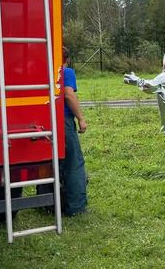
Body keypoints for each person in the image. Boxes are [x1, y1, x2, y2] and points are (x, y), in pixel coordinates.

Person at [61, 47, 88, 216]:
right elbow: (68, 94)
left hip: (43, 120)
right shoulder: (67, 72)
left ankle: (48, 203)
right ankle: (76, 207)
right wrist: (81, 118)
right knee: (73, 163)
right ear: (67, 59)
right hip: (63, 121)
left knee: (53, 162)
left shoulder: (41, 71)